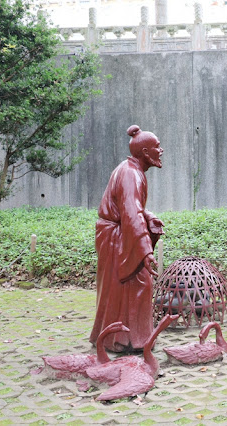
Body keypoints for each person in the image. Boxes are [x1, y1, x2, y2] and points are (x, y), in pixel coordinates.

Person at [89, 125, 165, 353]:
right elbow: (131, 213)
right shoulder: (131, 174)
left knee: (125, 287)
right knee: (139, 282)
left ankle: (122, 338)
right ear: (144, 153)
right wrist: (145, 250)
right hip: (116, 236)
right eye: (157, 147)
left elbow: (131, 209)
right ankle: (127, 340)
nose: (161, 151)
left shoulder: (130, 170)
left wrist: (148, 217)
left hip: (118, 233)